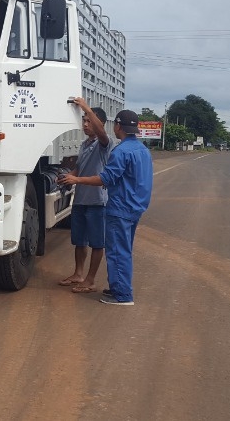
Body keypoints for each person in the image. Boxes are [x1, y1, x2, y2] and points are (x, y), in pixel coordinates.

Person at [61, 109, 153, 305]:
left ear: (117, 126)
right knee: (123, 251)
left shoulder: (120, 151)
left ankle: (122, 295)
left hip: (120, 207)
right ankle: (118, 288)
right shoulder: (142, 150)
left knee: (117, 252)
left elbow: (106, 178)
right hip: (135, 207)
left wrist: (77, 179)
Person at [55, 97, 116, 293]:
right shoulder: (84, 145)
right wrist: (68, 177)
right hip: (81, 200)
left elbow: (101, 133)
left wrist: (85, 106)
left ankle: (90, 280)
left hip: (97, 201)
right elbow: (79, 169)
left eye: (90, 120)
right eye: (84, 120)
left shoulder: (104, 144)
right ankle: (78, 274)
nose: (86, 124)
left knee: (97, 243)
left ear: (101, 124)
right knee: (79, 241)